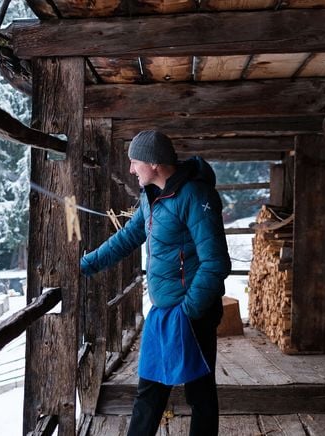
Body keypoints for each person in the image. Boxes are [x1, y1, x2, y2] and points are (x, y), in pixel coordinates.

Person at [80, 130, 231, 436]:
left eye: (135, 162)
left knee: (199, 394)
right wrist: (85, 265)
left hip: (191, 312)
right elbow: (127, 238)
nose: (131, 170)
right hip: (164, 313)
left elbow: (216, 262)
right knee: (150, 390)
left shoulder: (195, 196)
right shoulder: (152, 199)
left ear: (154, 164)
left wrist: (189, 310)